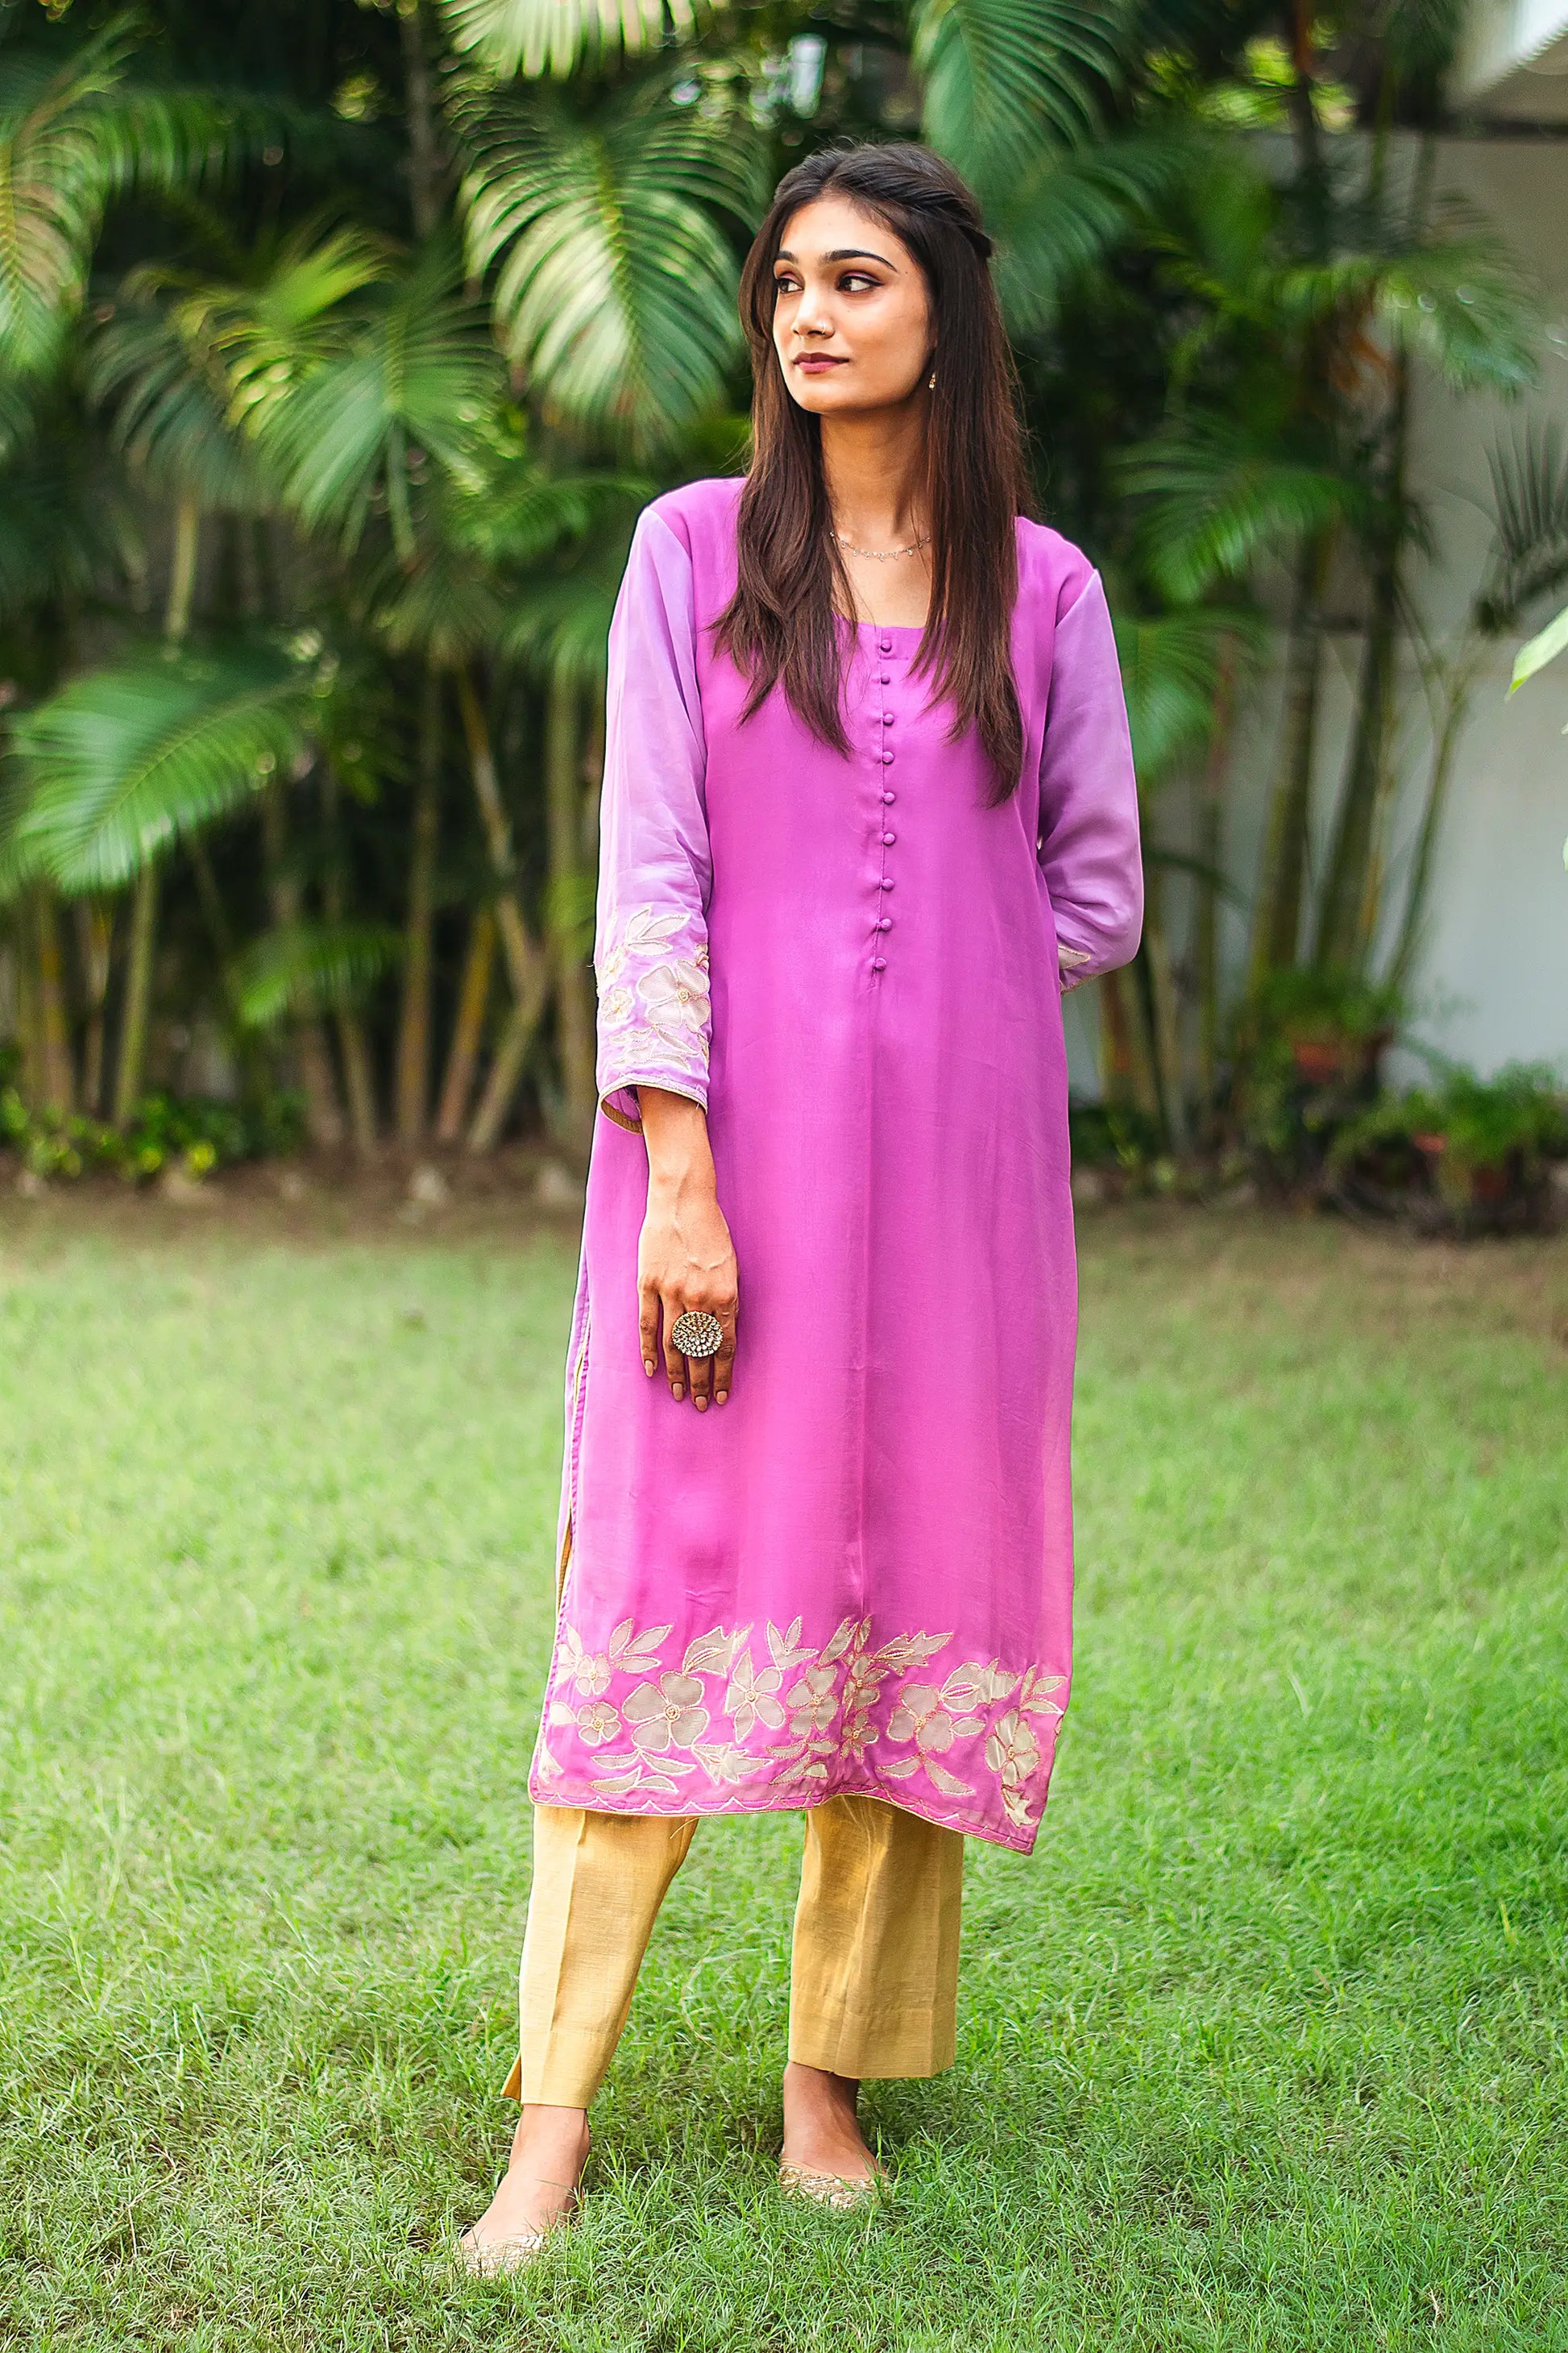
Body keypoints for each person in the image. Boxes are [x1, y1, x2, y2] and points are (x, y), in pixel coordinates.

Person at [459, 139, 1142, 2271]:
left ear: (946, 307)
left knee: (906, 1594)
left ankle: (822, 2083)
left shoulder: (1039, 593)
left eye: (854, 278)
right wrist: (679, 1162)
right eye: (783, 285)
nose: (808, 315)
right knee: (654, 1593)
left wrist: (924, 979)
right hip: (719, 1176)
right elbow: (647, 870)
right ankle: (549, 2118)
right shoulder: (684, 558)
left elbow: (1092, 894)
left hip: (953, 1212)